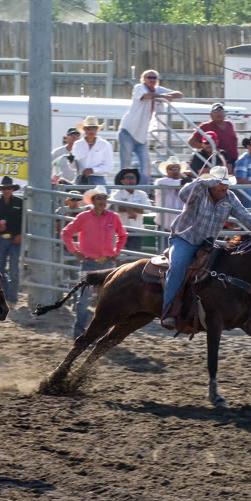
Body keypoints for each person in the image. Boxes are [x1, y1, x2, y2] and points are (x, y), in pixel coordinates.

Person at [160, 165, 251, 329]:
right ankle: (168, 311)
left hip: (207, 245)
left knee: (225, 268)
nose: (224, 187)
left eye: (226, 184)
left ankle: (214, 309)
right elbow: (183, 194)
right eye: (220, 183)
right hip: (184, 239)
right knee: (178, 265)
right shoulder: (199, 192)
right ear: (211, 183)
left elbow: (244, 215)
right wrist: (203, 182)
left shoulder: (230, 198)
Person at [61, 185, 127, 338]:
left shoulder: (113, 217)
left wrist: (116, 251)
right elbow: (66, 233)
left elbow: (123, 235)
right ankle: (79, 331)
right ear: (92, 200)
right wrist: (75, 252)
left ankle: (101, 332)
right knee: (84, 300)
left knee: (105, 300)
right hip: (90, 262)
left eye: (104, 198)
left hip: (107, 263)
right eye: (99, 198)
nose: (102, 201)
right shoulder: (84, 217)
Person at [118, 69, 183, 184]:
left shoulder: (158, 89)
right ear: (143, 79)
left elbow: (179, 94)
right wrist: (163, 97)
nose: (152, 80)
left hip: (141, 135)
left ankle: (143, 191)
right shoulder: (139, 87)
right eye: (149, 77)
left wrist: (162, 96)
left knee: (146, 166)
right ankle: (122, 190)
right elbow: (146, 95)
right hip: (127, 131)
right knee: (126, 165)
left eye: (154, 78)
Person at [0, 176, 23, 305]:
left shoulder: (20, 203)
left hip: (15, 239)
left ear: (12, 189)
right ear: (1, 189)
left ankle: (12, 297)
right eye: (4, 188)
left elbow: (25, 221)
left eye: (8, 188)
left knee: (14, 269)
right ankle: (5, 295)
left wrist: (20, 235)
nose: (6, 190)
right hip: (1, 239)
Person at [111, 168, 151, 256]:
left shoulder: (141, 194)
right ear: (122, 181)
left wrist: (129, 208)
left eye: (133, 178)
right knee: (118, 256)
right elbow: (110, 206)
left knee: (134, 257)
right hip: (120, 231)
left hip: (136, 230)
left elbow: (147, 209)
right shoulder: (117, 194)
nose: (131, 180)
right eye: (128, 177)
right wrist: (128, 209)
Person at [188, 103, 238, 170]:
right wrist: (206, 145)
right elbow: (191, 142)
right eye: (215, 111)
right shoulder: (205, 126)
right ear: (211, 114)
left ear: (224, 113)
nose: (219, 113)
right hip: (217, 161)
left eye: (221, 111)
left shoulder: (229, 125)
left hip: (233, 161)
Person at [154, 157, 191, 249]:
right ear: (166, 171)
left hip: (180, 227)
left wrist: (185, 182)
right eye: (172, 168)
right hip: (164, 226)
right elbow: (173, 182)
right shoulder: (160, 182)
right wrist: (184, 182)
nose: (175, 171)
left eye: (177, 168)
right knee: (163, 252)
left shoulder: (185, 185)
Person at [71, 116, 114, 186]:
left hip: (98, 178)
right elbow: (73, 167)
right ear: (84, 129)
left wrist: (93, 170)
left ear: (97, 129)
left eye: (94, 128)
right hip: (81, 178)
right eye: (89, 128)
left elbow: (108, 166)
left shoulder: (105, 144)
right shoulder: (77, 144)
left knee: (104, 192)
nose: (92, 131)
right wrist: (71, 161)